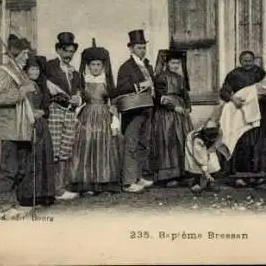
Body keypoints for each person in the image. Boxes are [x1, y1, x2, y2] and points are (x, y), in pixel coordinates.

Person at [0, 36, 37, 218]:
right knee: (9, 168)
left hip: (21, 128)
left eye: (27, 54)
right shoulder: (3, 72)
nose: (26, 58)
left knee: (20, 167)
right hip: (8, 128)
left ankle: (13, 202)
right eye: (23, 54)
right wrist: (22, 92)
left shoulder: (19, 72)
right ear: (14, 55)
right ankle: (4, 206)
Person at [68, 42, 122, 195]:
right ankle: (88, 185)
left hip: (104, 116)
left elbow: (113, 103)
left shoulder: (107, 81)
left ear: (103, 66)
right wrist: (77, 102)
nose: (96, 67)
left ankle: (103, 183)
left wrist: (115, 120)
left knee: (103, 147)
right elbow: (79, 99)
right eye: (93, 64)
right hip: (87, 116)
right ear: (88, 65)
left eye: (99, 64)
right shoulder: (84, 80)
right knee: (87, 147)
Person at [219, 50, 266, 186]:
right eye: (244, 61)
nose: (247, 63)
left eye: (250, 60)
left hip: (260, 112)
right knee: (243, 141)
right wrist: (233, 98)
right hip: (242, 113)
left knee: (260, 143)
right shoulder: (234, 74)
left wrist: (265, 95)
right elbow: (224, 91)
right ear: (240, 61)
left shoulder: (260, 73)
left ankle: (259, 174)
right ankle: (240, 175)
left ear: (254, 60)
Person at [45, 32, 83, 201]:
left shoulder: (74, 72)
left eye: (71, 52)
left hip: (69, 112)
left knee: (65, 149)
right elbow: (43, 88)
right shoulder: (49, 67)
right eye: (66, 51)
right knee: (53, 149)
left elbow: (79, 90)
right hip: (55, 111)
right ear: (58, 50)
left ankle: (60, 188)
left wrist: (78, 98)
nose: (69, 55)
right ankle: (52, 188)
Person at [116, 30, 155, 193]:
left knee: (143, 143)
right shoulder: (126, 67)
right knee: (131, 144)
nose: (142, 50)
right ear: (131, 48)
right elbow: (121, 88)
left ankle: (138, 177)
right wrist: (139, 86)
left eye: (144, 47)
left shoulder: (147, 65)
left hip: (147, 108)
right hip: (133, 110)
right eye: (139, 48)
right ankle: (128, 181)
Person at [150, 45, 193, 187]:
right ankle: (168, 177)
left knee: (182, 140)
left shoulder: (181, 78)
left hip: (181, 114)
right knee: (168, 141)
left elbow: (185, 95)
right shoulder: (161, 77)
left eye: (177, 63)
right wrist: (174, 107)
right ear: (167, 63)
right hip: (166, 115)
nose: (175, 66)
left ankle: (182, 174)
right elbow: (160, 97)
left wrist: (187, 107)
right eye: (173, 63)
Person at [16, 53, 56, 207]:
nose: (35, 72)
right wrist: (31, 113)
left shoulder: (40, 85)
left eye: (37, 69)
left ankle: (43, 194)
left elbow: (46, 107)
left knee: (43, 158)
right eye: (32, 69)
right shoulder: (24, 85)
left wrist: (43, 112)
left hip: (41, 126)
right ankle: (28, 195)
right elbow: (21, 105)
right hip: (28, 124)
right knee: (29, 159)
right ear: (26, 70)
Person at [184, 119, 222, 193]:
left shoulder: (218, 132)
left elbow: (216, 143)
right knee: (196, 165)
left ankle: (209, 183)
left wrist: (212, 148)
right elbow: (200, 157)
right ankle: (196, 183)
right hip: (194, 149)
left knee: (213, 162)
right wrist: (206, 172)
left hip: (207, 147)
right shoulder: (197, 140)